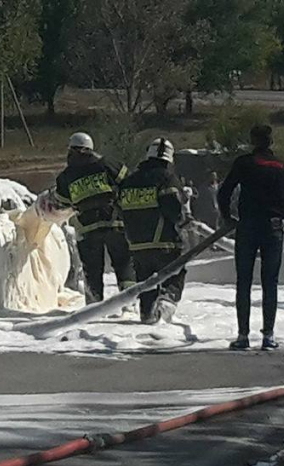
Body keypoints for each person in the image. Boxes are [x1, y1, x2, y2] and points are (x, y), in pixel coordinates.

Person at [217, 125, 284, 351]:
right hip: (273, 226)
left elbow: (224, 192)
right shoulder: (282, 167)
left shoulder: (244, 163)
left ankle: (243, 335)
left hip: (248, 225)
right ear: (271, 142)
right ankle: (268, 336)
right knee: (270, 282)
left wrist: (227, 217)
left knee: (244, 281)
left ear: (253, 140)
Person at [55, 132, 135, 304]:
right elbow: (129, 181)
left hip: (87, 229)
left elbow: (62, 202)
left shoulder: (66, 176)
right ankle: (129, 301)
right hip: (114, 223)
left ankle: (93, 305)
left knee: (92, 269)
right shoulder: (107, 164)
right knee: (123, 263)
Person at [117, 138, 186, 324]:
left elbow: (119, 208)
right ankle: (166, 306)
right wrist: (182, 221)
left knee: (146, 285)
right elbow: (173, 207)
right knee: (175, 275)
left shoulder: (129, 181)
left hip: (137, 246)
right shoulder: (166, 178)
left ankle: (147, 317)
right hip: (164, 243)